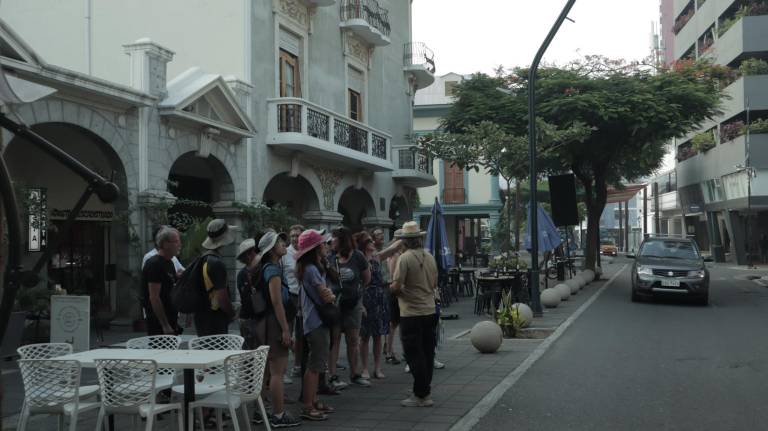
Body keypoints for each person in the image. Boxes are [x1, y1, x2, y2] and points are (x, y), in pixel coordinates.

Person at [254, 230, 301, 428]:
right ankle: (278, 414)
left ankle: (260, 411)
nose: (284, 244)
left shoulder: (264, 267)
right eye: (280, 242)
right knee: (277, 372)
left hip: (265, 323)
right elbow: (276, 302)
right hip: (274, 323)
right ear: (271, 248)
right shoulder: (272, 269)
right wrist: (285, 329)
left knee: (266, 371)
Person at [390, 221, 439, 407]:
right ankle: (424, 389)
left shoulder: (405, 258)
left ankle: (422, 394)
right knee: (427, 352)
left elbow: (396, 285)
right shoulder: (430, 257)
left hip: (411, 312)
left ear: (405, 241)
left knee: (413, 353)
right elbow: (434, 283)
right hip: (429, 309)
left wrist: (393, 289)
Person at [296, 229, 337, 421]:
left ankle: (313, 400)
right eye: (322, 244)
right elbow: (326, 295)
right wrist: (332, 294)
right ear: (314, 249)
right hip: (316, 323)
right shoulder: (312, 269)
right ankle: (307, 405)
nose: (325, 246)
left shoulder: (310, 267)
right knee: (314, 366)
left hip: (314, 321)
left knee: (317, 364)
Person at [327, 226, 371, 389]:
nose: (331, 241)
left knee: (353, 339)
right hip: (335, 304)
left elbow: (367, 278)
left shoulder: (358, 256)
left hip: (353, 304)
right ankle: (332, 375)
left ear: (342, 240)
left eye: (334, 238)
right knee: (335, 339)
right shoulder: (330, 256)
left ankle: (355, 374)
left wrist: (358, 292)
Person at [193, 219, 236, 336]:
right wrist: (232, 314)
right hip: (215, 319)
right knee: (218, 353)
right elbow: (222, 297)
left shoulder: (205, 258)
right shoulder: (217, 263)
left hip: (202, 316)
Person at [356, 232, 389, 380]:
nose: (372, 242)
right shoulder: (358, 259)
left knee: (378, 335)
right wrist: (360, 303)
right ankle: (364, 368)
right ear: (363, 244)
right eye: (369, 240)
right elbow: (358, 283)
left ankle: (377, 367)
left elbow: (392, 250)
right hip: (365, 297)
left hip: (379, 297)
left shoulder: (376, 257)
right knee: (364, 336)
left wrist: (402, 238)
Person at [141, 226, 182, 335]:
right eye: (176, 241)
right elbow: (154, 297)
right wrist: (165, 325)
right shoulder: (154, 264)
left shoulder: (170, 262)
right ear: (165, 244)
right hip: (158, 322)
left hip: (171, 317)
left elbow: (169, 282)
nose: (179, 245)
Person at [282, 224, 305, 381]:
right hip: (290, 296)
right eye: (293, 236)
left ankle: (298, 365)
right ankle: (283, 370)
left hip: (304, 296)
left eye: (298, 235)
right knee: (287, 332)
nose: (295, 238)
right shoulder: (285, 253)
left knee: (302, 333)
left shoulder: (306, 252)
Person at [384, 230, 404, 365]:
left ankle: (389, 350)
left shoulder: (396, 254)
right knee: (394, 323)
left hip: (393, 290)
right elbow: (393, 275)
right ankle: (389, 351)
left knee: (395, 323)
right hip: (395, 291)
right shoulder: (395, 255)